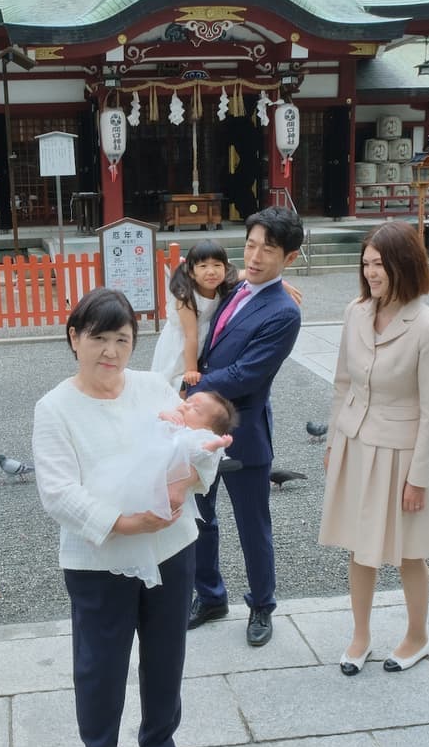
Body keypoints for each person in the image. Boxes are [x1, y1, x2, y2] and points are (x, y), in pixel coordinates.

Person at [33, 288, 223, 747]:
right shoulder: (55, 408)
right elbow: (58, 493)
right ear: (74, 338)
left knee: (166, 652)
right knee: (101, 663)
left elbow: (195, 443)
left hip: (169, 545)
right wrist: (123, 523)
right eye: (99, 338)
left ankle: (160, 745)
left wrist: (184, 484)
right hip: (100, 559)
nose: (111, 352)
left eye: (122, 339)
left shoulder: (152, 386)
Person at [318, 222, 429, 676]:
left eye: (380, 264)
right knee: (358, 545)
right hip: (355, 442)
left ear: (403, 265)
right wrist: (334, 441)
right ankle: (360, 635)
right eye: (367, 264)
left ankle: (418, 635)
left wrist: (419, 477)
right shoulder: (355, 312)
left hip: (400, 452)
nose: (371, 273)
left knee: (409, 550)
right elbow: (342, 383)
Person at [186, 206, 304, 646]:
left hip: (244, 429)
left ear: (289, 258)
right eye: (250, 245)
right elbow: (186, 280)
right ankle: (210, 596)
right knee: (200, 516)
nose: (254, 257)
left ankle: (262, 605)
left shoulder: (284, 313)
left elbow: (245, 375)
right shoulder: (235, 286)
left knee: (253, 526)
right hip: (201, 431)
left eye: (267, 250)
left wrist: (187, 387)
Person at [85, 391, 238, 587]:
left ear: (207, 427)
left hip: (165, 476)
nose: (185, 406)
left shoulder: (197, 435)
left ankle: (110, 533)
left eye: (196, 410)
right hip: (144, 475)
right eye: (188, 401)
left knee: (151, 505)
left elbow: (200, 455)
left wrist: (215, 444)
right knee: (122, 498)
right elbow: (151, 426)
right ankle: (105, 530)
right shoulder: (175, 422)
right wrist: (164, 416)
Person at [149, 241, 236, 388]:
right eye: (203, 266)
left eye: (217, 265)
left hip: (199, 340)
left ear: (225, 268)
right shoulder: (187, 296)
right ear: (191, 272)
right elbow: (190, 336)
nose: (211, 271)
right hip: (180, 344)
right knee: (171, 379)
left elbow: (245, 275)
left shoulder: (222, 285)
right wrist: (191, 371)